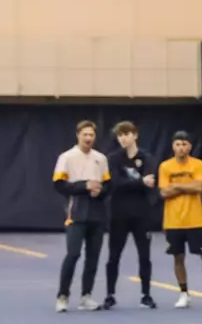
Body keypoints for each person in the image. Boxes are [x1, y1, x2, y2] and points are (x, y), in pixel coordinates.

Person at [156, 130, 202, 308]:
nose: (181, 148)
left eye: (184, 144)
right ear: (173, 146)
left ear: (190, 147)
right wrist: (187, 185)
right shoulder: (165, 167)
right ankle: (184, 293)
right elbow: (164, 192)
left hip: (196, 220)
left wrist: (176, 185)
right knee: (178, 258)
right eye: (178, 144)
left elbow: (198, 187)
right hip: (173, 222)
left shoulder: (198, 165)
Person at [52, 120, 110, 312]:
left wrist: (99, 191)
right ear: (78, 135)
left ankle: (86, 296)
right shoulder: (67, 157)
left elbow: (108, 185)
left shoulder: (100, 158)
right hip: (76, 211)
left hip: (97, 213)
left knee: (93, 257)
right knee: (73, 254)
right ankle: (62, 296)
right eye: (85, 134)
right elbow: (59, 185)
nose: (88, 138)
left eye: (91, 135)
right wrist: (84, 186)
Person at [102, 121, 157, 309]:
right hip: (118, 213)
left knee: (144, 255)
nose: (123, 138)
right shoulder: (113, 158)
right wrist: (140, 181)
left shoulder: (146, 158)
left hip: (142, 214)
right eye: (120, 135)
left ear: (135, 135)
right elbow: (115, 183)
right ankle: (110, 294)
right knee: (114, 256)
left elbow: (151, 181)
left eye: (127, 134)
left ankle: (146, 294)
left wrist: (140, 182)